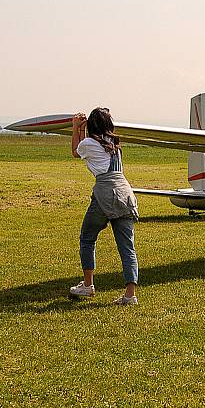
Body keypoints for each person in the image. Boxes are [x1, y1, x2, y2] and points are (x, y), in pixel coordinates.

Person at [69, 108, 140, 305]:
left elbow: (76, 151)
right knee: (128, 248)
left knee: (87, 237)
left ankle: (88, 285)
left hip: (106, 194)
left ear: (92, 126)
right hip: (125, 194)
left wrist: (75, 127)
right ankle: (129, 295)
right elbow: (85, 147)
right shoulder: (114, 144)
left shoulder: (90, 143)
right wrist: (82, 131)